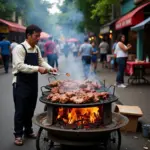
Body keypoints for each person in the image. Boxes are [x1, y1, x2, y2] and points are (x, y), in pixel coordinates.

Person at [12, 24, 57, 146]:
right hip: (21, 83)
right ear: (28, 35)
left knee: (30, 108)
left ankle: (28, 131)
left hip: (32, 82)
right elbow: (20, 66)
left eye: (39, 36)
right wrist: (38, 68)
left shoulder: (36, 48)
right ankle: (18, 134)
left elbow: (41, 61)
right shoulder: (19, 48)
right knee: (20, 110)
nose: (38, 38)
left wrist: (50, 68)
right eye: (36, 36)